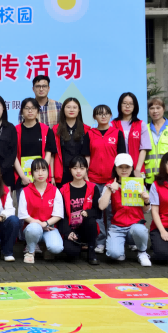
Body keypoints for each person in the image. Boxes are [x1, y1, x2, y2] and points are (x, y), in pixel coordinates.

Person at [99, 153, 151, 265]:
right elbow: (101, 206)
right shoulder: (110, 185)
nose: (124, 170)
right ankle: (120, 250)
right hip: (117, 227)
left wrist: (146, 200)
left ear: (132, 168)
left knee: (140, 230)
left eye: (127, 167)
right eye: (120, 167)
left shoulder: (138, 184)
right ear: (115, 168)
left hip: (136, 224)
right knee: (114, 254)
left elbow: (146, 210)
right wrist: (109, 190)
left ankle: (142, 252)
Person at [88, 104, 126, 253]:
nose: (103, 116)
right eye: (99, 114)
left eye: (106, 113)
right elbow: (86, 156)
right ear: (94, 117)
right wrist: (86, 177)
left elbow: (122, 158)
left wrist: (118, 179)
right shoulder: (90, 134)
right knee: (97, 213)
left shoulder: (117, 133)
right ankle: (100, 241)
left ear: (110, 115)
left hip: (112, 181)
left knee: (111, 213)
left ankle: (112, 240)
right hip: (94, 179)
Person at [56, 157, 101, 266]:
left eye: (82, 168)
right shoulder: (63, 190)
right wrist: (68, 232)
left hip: (86, 228)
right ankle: (79, 246)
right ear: (70, 169)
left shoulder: (93, 188)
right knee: (71, 253)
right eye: (75, 168)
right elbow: (61, 215)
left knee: (91, 220)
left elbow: (98, 212)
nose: (78, 171)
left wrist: (88, 213)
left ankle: (91, 250)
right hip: (71, 229)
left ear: (86, 169)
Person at [17, 159, 63, 264]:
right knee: (34, 228)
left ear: (48, 172)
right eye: (36, 170)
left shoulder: (55, 190)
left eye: (43, 170)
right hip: (32, 227)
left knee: (57, 248)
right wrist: (39, 224)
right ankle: (30, 251)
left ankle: (46, 248)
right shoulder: (26, 191)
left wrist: (45, 223)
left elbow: (58, 214)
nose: (40, 173)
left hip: (49, 227)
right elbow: (23, 214)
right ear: (32, 173)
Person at [14, 98, 56, 187]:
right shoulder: (15, 130)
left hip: (42, 177)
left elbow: (49, 153)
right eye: (27, 108)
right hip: (22, 178)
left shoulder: (46, 130)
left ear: (37, 111)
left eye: (33, 108)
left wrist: (41, 172)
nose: (30, 111)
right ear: (22, 111)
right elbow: (13, 155)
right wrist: (22, 176)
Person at [53, 97, 90, 186]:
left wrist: (85, 173)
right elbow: (52, 155)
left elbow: (87, 154)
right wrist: (52, 176)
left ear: (79, 110)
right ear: (63, 110)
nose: (71, 110)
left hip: (80, 172)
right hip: (62, 173)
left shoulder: (86, 129)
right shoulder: (55, 129)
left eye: (74, 107)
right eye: (68, 107)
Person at [114, 92, 151, 177]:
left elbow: (143, 149)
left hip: (136, 169)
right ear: (120, 105)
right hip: (118, 169)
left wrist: (137, 169)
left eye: (131, 104)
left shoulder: (141, 124)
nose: (127, 106)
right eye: (124, 103)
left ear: (135, 106)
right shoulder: (113, 124)